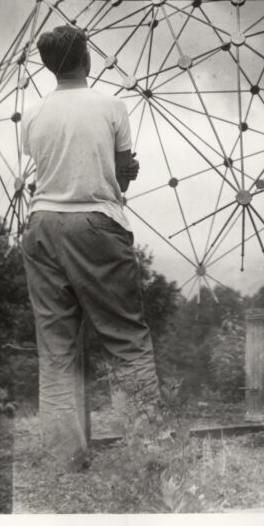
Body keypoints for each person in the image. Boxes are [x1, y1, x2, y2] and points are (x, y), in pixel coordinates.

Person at [20, 24, 162, 472]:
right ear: (86, 58)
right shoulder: (111, 104)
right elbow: (118, 179)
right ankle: (149, 455)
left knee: (56, 350)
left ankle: (64, 461)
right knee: (126, 341)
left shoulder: (33, 115)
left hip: (41, 226)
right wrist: (125, 174)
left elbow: (46, 171)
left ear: (47, 65)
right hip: (96, 223)